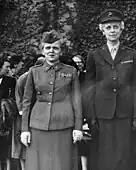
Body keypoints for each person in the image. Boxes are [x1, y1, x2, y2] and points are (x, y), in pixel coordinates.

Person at [84, 8, 136, 170]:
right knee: (103, 155)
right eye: (108, 27)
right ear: (102, 30)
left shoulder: (132, 55)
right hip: (102, 113)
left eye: (115, 27)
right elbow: (89, 88)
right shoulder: (94, 55)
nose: (112, 31)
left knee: (126, 154)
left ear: (121, 28)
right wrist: (91, 116)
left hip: (125, 112)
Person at [20, 30, 83, 170]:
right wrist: (24, 129)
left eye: (55, 48)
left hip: (64, 125)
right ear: (42, 50)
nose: (51, 51)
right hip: (38, 125)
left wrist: (78, 128)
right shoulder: (34, 72)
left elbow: (77, 101)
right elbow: (27, 102)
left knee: (62, 164)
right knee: (39, 164)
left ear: (61, 51)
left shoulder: (71, 72)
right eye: (47, 48)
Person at [12, 57, 45, 170]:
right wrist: (22, 111)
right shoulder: (24, 77)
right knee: (23, 143)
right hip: (24, 115)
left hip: (37, 114)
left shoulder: (42, 77)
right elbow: (18, 95)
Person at [72, 54, 90, 170]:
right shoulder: (67, 77)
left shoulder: (86, 77)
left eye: (80, 62)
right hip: (70, 111)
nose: (78, 64)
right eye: (75, 62)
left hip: (84, 110)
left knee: (84, 142)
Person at [0, 58, 17, 170]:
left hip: (4, 116)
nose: (8, 69)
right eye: (6, 67)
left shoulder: (11, 81)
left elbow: (14, 98)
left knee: (5, 143)